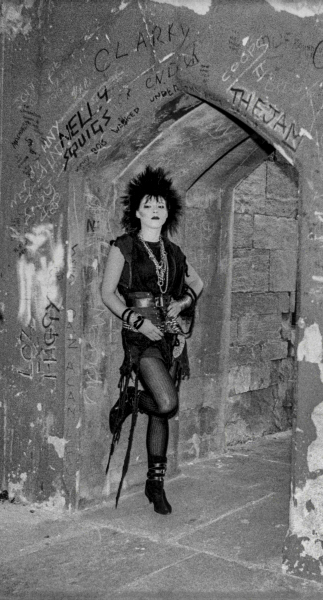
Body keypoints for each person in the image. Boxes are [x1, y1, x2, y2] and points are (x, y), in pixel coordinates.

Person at [100, 166, 204, 515]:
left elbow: (198, 284)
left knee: (162, 414)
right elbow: (108, 293)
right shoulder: (124, 246)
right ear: (138, 211)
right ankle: (131, 398)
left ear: (168, 211)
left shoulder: (173, 252)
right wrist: (136, 322)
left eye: (161, 205)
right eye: (149, 204)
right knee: (165, 401)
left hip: (170, 336)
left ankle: (154, 485)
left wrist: (182, 302)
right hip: (141, 337)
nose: (156, 210)